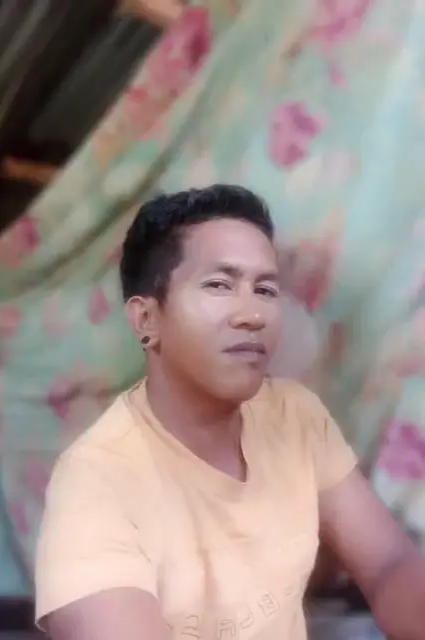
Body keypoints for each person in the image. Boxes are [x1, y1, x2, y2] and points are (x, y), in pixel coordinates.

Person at [35, 185, 425, 640]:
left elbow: (388, 563)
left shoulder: (294, 416)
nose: (253, 314)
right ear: (146, 320)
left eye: (265, 289)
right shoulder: (96, 481)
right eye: (219, 285)